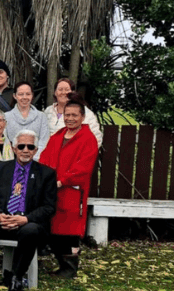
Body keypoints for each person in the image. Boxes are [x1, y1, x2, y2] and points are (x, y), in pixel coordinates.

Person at [0, 130, 57, 291]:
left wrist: (26, 219)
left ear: (36, 150)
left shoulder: (46, 174)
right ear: (14, 148)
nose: (25, 150)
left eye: (30, 147)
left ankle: (17, 277)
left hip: (27, 223)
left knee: (30, 231)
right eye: (21, 146)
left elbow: (49, 207)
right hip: (2, 220)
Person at [39, 94, 99, 280]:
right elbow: (45, 158)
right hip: (53, 190)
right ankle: (60, 264)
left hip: (71, 192)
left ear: (82, 117)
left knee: (70, 232)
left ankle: (70, 268)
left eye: (74, 115)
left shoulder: (88, 139)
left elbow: (83, 168)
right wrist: (45, 178)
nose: (70, 118)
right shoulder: (58, 135)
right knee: (54, 229)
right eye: (67, 115)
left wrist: (62, 180)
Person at [44, 78, 103, 147]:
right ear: (55, 92)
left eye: (67, 90)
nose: (63, 92)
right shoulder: (48, 111)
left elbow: (96, 138)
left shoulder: (85, 112)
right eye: (60, 89)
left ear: (73, 92)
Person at [4, 81, 49, 159]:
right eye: (21, 94)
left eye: (28, 94)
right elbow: (5, 141)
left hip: (36, 160)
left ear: (32, 96)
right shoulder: (6, 117)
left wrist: (34, 158)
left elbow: (44, 141)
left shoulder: (42, 116)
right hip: (12, 160)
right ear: (15, 96)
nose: (24, 97)